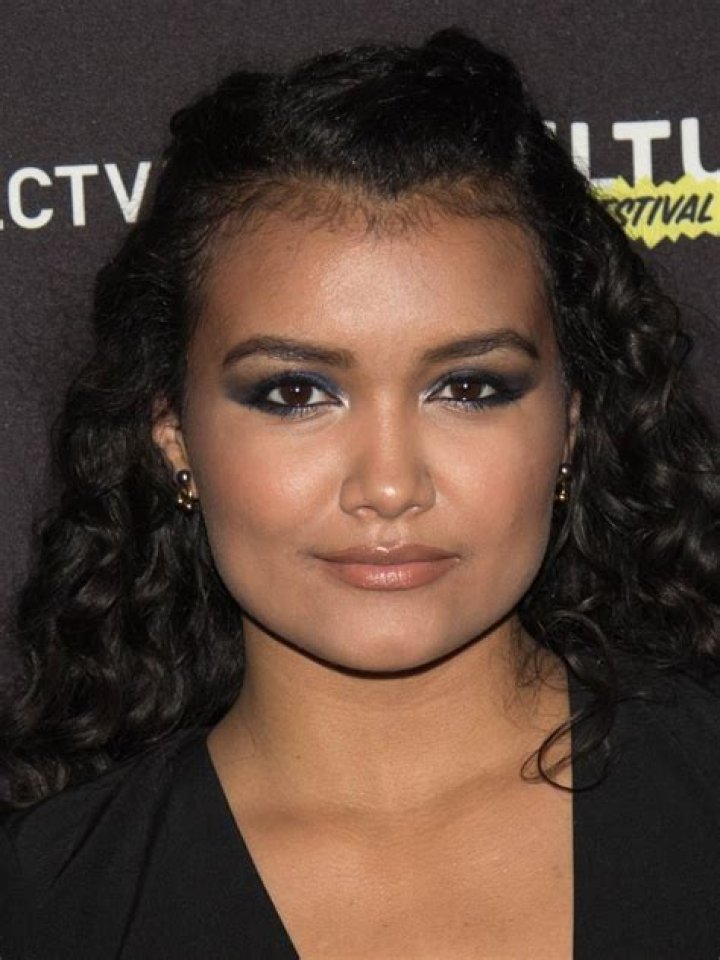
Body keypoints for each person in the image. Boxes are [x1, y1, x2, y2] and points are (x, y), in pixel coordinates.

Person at [0, 26, 718, 960]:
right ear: (173, 436)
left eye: (470, 387)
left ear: (571, 424)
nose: (389, 486)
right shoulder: (49, 910)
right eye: (296, 394)